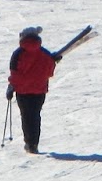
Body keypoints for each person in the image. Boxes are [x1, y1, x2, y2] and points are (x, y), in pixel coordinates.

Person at [6, 25, 62, 153]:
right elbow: (49, 73)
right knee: (35, 116)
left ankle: (29, 143)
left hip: (22, 91)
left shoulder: (18, 54)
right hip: (39, 91)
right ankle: (34, 143)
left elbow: (15, 73)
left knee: (26, 116)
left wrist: (11, 87)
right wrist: (53, 62)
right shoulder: (45, 53)